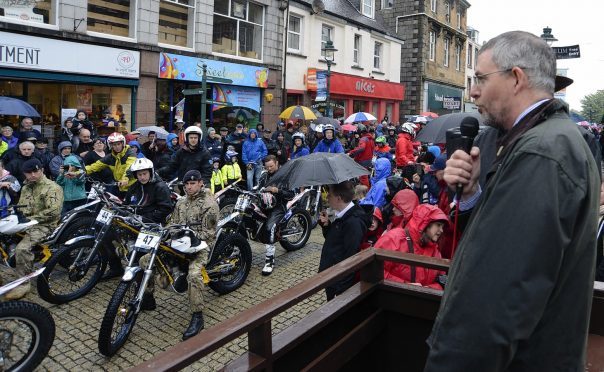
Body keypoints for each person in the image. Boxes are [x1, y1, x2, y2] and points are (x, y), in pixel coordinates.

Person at [425, 31, 601, 370]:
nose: (473, 91)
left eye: (480, 79)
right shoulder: (546, 140)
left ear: (516, 78)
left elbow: (495, 301)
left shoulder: (542, 152)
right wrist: (474, 191)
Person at [140, 169, 219, 340]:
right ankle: (147, 297)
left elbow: (209, 233)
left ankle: (198, 316)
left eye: (192, 184)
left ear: (200, 183)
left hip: (201, 246)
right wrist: (166, 232)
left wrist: (188, 236)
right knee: (145, 260)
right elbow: (173, 222)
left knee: (194, 275)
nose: (189, 187)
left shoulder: (209, 204)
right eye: (186, 184)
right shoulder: (181, 202)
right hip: (179, 243)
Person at [4, 159, 63, 299]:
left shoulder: (53, 188)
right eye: (28, 173)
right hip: (24, 223)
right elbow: (22, 206)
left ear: (41, 170)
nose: (32, 175)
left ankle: (23, 284)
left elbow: (54, 211)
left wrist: (31, 219)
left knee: (22, 249)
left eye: (35, 171)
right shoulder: (26, 187)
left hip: (44, 224)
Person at [374, 204, 448, 289]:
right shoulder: (394, 239)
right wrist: (404, 285)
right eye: (438, 225)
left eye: (442, 227)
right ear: (425, 223)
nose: (441, 230)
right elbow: (375, 270)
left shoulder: (435, 250)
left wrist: (428, 289)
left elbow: (441, 280)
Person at [318, 180, 369, 300]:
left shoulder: (353, 222)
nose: (327, 197)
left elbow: (351, 257)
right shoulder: (343, 215)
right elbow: (336, 241)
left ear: (339, 198)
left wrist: (340, 292)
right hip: (333, 275)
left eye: (330, 194)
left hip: (338, 280)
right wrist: (327, 226)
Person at [256, 155, 295, 275]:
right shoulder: (264, 175)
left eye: (271, 166)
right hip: (265, 204)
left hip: (279, 207)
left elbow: (291, 194)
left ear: (277, 163)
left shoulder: (285, 176)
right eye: (266, 167)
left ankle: (269, 261)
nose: (269, 169)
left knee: (269, 227)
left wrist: (277, 190)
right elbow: (258, 187)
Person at [123, 158, 172, 223]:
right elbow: (126, 203)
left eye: (145, 174)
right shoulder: (134, 186)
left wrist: (144, 219)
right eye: (139, 175)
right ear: (136, 175)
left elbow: (165, 210)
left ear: (150, 173)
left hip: (152, 224)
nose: (142, 177)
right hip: (133, 221)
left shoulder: (160, 187)